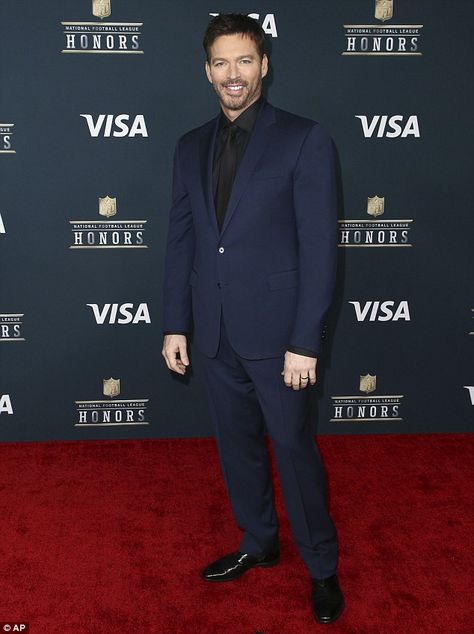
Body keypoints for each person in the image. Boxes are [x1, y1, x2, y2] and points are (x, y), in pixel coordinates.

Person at [162, 13, 344, 625]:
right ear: (206, 70)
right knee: (237, 448)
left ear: (264, 65)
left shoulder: (304, 138)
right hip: (213, 334)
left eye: (244, 61)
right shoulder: (190, 146)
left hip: (279, 340)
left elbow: (321, 249)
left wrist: (304, 342)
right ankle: (258, 541)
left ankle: (321, 567)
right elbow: (182, 242)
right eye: (221, 62)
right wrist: (175, 323)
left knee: (293, 449)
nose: (232, 75)